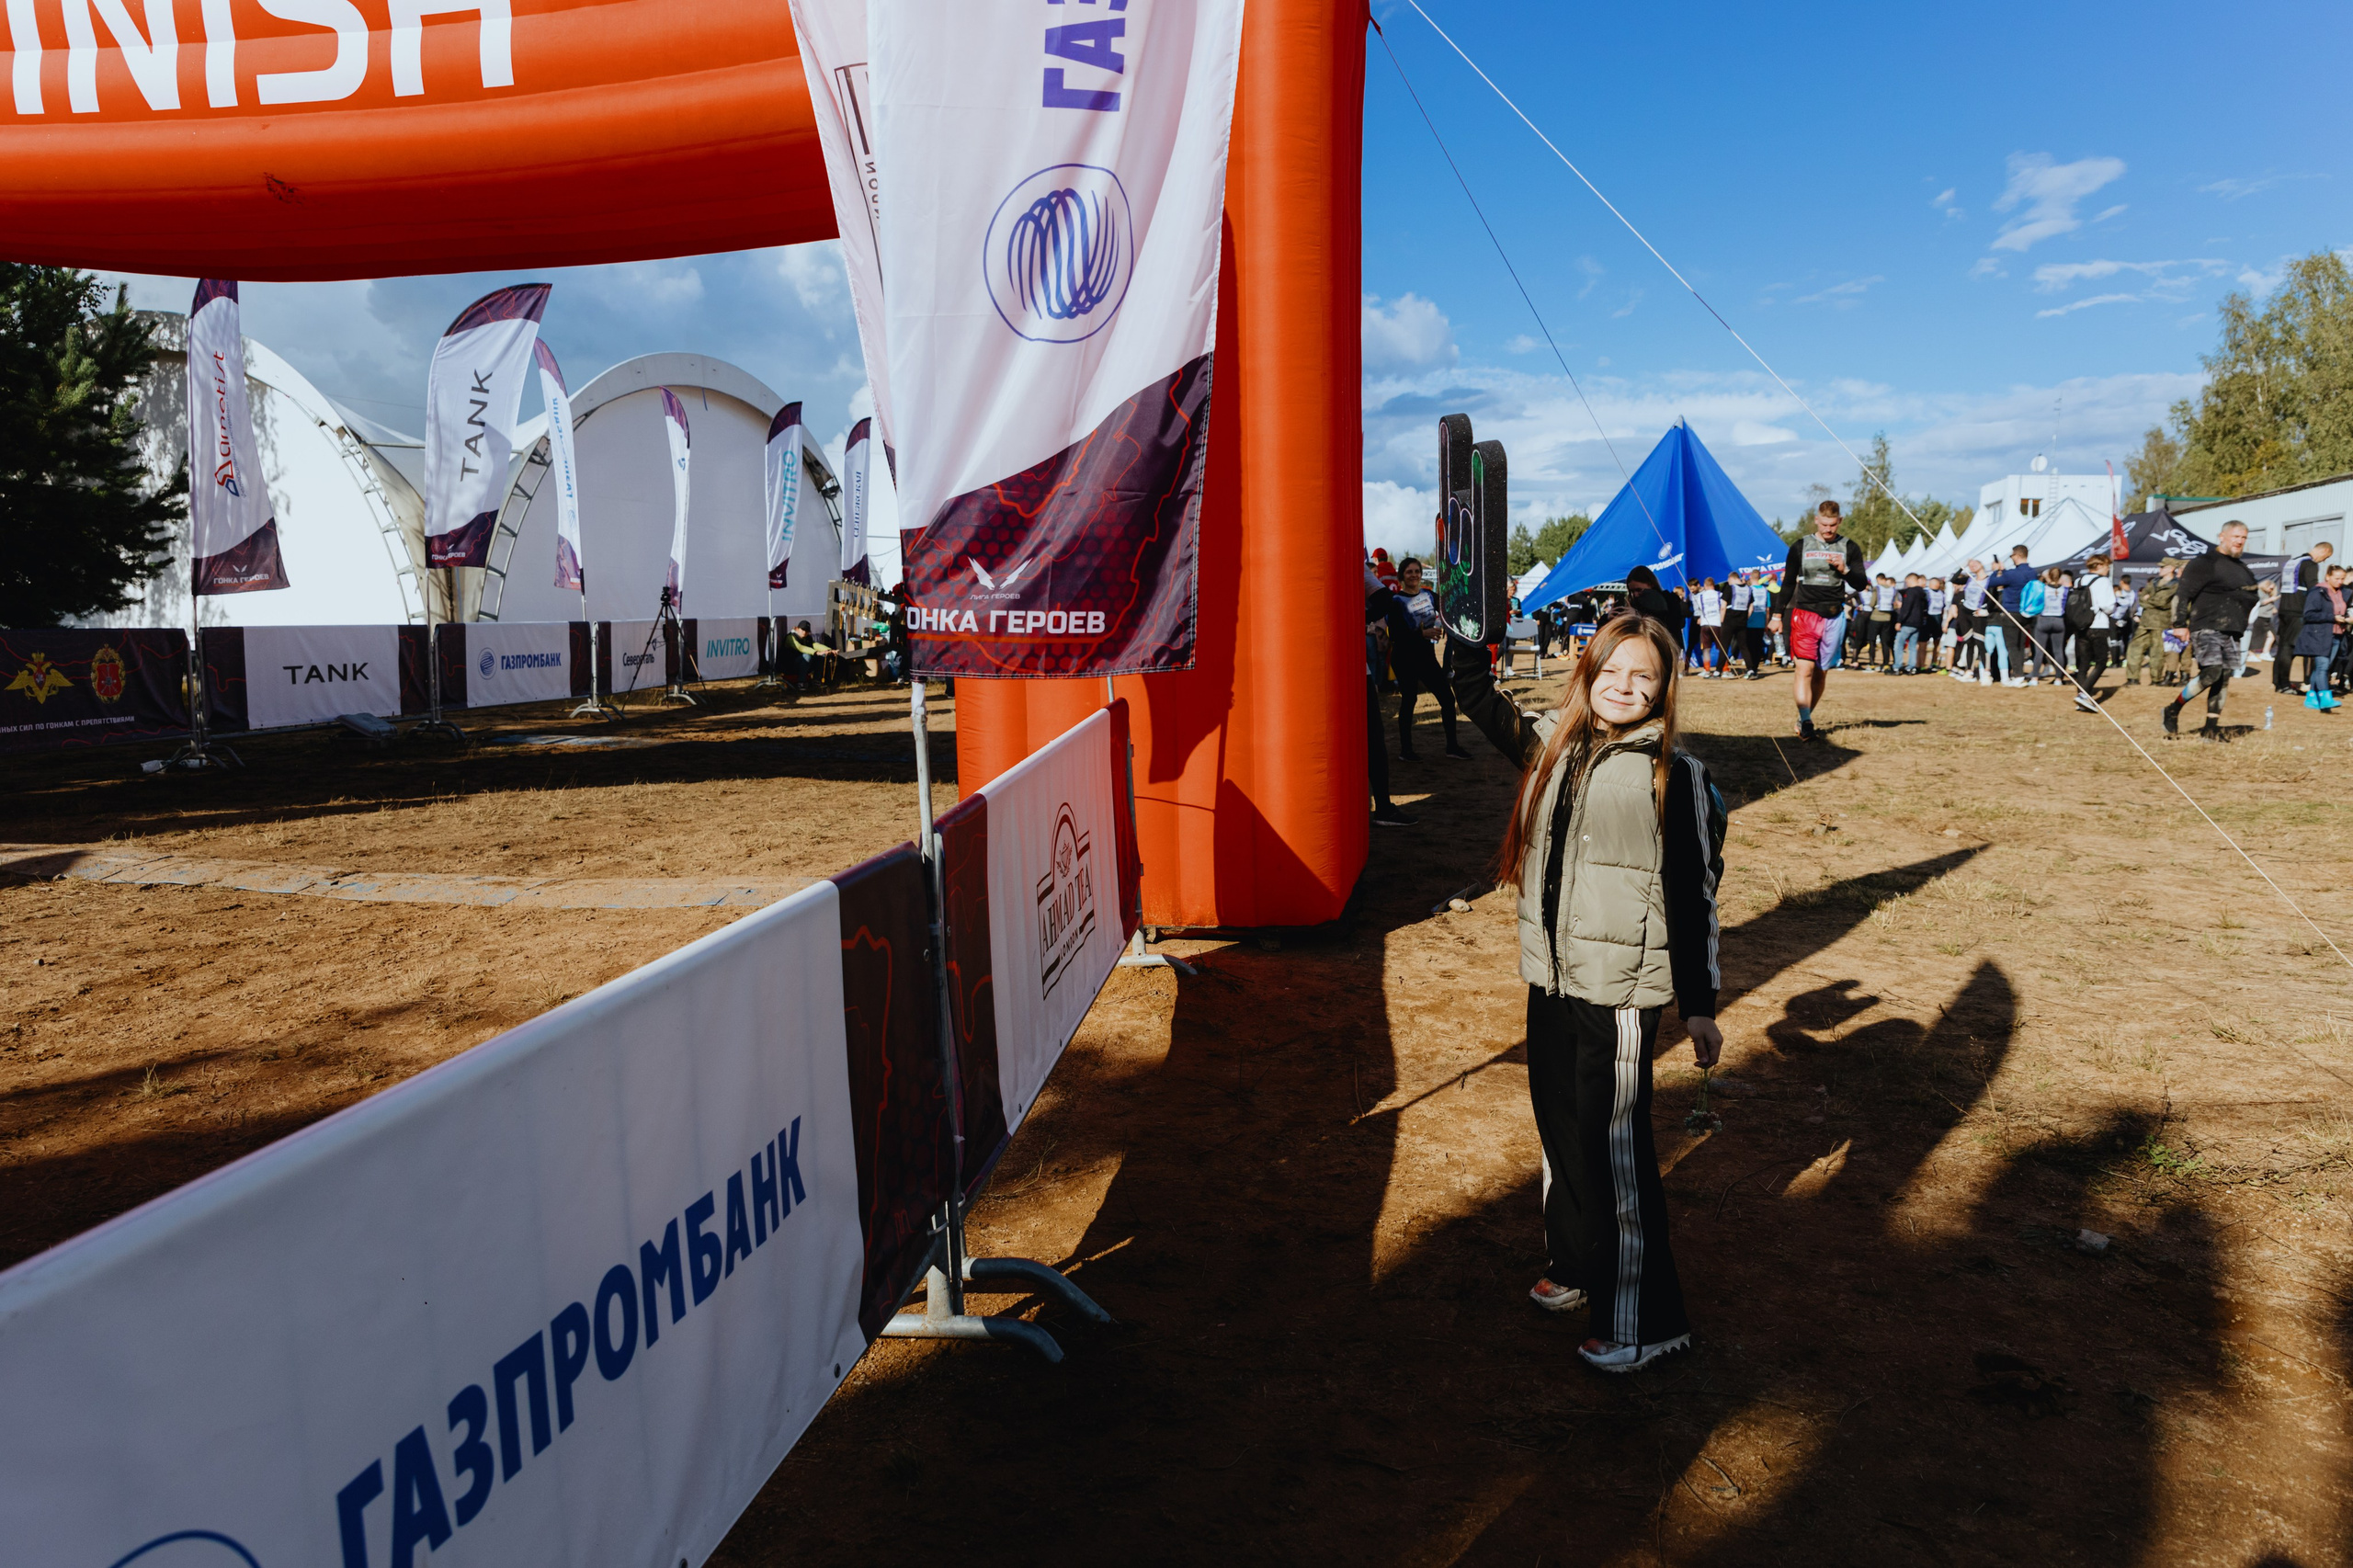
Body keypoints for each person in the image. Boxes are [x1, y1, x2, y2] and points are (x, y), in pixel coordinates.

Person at [1446, 615, 1722, 1373]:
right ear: (1586, 672)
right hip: (1553, 979)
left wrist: (1699, 1003)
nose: (1625, 688)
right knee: (1561, 1131)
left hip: (1623, 995)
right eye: (1611, 672)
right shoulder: (1551, 745)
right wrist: (1472, 621)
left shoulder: (1676, 775)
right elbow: (1471, 688)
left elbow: (1694, 896)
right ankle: (1575, 1267)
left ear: (1666, 688)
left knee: (1617, 1155)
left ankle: (1648, 1321)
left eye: (1645, 676)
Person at [1768, 501, 1870, 741]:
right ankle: (1806, 721)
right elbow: (1788, 583)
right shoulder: (1800, 545)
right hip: (1805, 613)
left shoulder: (1850, 547)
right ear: (1816, 520)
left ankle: (1804, 717)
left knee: (1821, 673)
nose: (1828, 530)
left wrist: (1845, 570)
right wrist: (1777, 615)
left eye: (1833, 525)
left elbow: (1861, 584)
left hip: (1834, 615)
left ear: (1840, 521)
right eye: (1824, 524)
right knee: (1805, 669)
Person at [2163, 521, 2259, 739]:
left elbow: (2251, 594)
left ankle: (2210, 730)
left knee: (2223, 678)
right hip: (2206, 626)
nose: (2239, 541)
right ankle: (2172, 709)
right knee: (2212, 672)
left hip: (2232, 630)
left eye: (2243, 537)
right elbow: (2183, 593)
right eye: (2235, 536)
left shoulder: (2242, 568)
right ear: (2221, 536)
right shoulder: (2205, 562)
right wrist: (2178, 624)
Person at [1392, 558, 1471, 761]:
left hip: (1426, 657)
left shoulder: (1428, 595)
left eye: (1417, 571)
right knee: (1409, 700)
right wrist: (1422, 634)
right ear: (1402, 576)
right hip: (1404, 657)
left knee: (1447, 698)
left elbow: (1450, 605)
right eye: (1409, 572)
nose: (1414, 575)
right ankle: (1406, 751)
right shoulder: (1396, 601)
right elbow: (1396, 635)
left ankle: (1452, 747)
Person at [1365, 566, 1417, 825]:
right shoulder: (1352, 560)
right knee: (1372, 739)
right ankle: (1382, 807)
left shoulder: (1352, 561)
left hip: (1349, 668)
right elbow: (1385, 598)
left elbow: (1385, 599)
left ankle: (1382, 807)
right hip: (1353, 669)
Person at [2273, 540, 2332, 694]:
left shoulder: (2292, 562)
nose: (2324, 560)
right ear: (2324, 550)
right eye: (2326, 556)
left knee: (2282, 647)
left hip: (2284, 608)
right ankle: (2285, 685)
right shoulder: (2311, 565)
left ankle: (2278, 683)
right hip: (2297, 610)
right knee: (2289, 648)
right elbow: (2313, 587)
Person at [1984, 545, 2040, 687]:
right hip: (2027, 613)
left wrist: (1997, 571)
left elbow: (1990, 583)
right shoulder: (2032, 573)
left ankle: (2018, 675)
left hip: (2011, 612)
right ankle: (2019, 672)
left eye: (2012, 556)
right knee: (2021, 645)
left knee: (2012, 646)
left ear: (2017, 555)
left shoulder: (2012, 574)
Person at [2294, 563, 2347, 711]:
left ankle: (2311, 698)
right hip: (2319, 634)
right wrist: (2333, 617)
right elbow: (2309, 614)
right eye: (2337, 578)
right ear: (2328, 577)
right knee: (2323, 666)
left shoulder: (2342, 593)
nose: (2340, 582)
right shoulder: (2318, 592)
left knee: (2321, 668)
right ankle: (2325, 699)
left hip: (2337, 634)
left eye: (2342, 578)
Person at [2071, 554, 2119, 710]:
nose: (2107, 570)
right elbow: (2108, 606)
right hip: (2098, 625)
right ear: (2098, 566)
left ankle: (2081, 696)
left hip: (2081, 625)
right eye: (2106, 566)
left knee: (2083, 663)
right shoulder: (2103, 581)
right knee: (2101, 661)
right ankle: (2084, 695)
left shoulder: (2079, 580)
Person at [2123, 560, 2180, 685]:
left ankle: (2156, 679)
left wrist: (2148, 600)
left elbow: (2162, 602)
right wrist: (2148, 600)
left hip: (2161, 622)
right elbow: (2142, 597)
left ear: (2171, 568)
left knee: (2157, 652)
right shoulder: (2154, 582)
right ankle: (2132, 678)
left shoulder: (2175, 584)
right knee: (2134, 649)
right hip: (2145, 621)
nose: (2160, 570)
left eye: (2163, 567)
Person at [2029, 568, 2069, 685]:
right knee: (2058, 651)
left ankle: (2035, 678)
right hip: (2059, 620)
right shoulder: (2065, 590)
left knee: (2039, 651)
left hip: (2043, 620)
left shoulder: (2043, 589)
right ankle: (2058, 678)